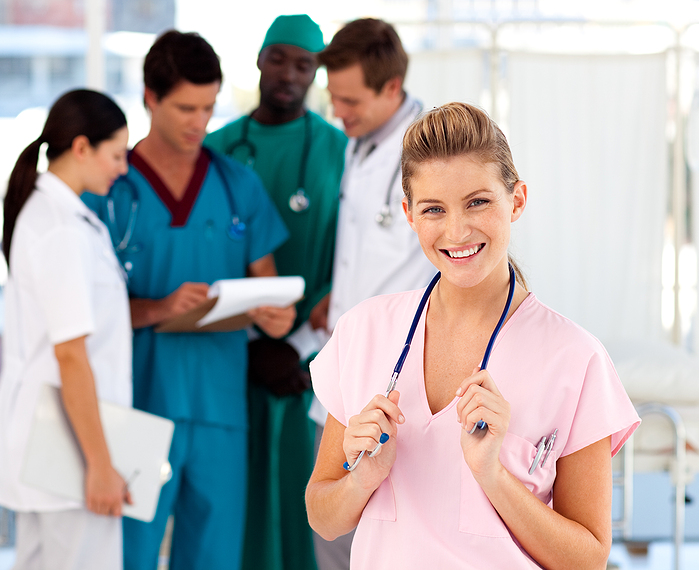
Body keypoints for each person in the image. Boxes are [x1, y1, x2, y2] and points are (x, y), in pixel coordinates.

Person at [305, 102, 641, 569]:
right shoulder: (363, 332)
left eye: (478, 202)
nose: (456, 230)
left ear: (517, 200)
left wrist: (493, 475)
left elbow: (587, 559)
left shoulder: (575, 358)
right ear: (409, 214)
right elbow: (323, 518)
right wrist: (361, 480)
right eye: (433, 209)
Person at [81, 31, 294, 570]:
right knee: (128, 555)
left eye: (208, 107)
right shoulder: (110, 189)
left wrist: (276, 317)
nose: (199, 122)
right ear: (150, 98)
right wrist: (158, 309)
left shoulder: (236, 185)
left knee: (215, 558)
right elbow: (78, 314)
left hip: (220, 409)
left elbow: (266, 287)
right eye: (184, 108)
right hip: (136, 407)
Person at [206, 14, 346, 570]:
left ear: (315, 73)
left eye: (304, 64)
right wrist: (251, 340)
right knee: (233, 506)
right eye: (279, 59)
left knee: (306, 502)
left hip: (309, 360)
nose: (289, 74)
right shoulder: (217, 149)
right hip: (230, 357)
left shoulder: (341, 152)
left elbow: (351, 261)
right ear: (260, 61)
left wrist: (297, 345)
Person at [308, 19, 437, 567]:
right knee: (334, 532)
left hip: (397, 377)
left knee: (388, 538)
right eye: (334, 98)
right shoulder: (359, 146)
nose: (339, 112)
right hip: (349, 359)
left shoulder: (430, 156)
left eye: (350, 100)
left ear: (391, 88)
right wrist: (335, 303)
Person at [0, 89, 131, 570]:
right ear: (80, 147)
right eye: (116, 155)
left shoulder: (52, 214)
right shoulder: (61, 229)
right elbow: (71, 355)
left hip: (47, 439)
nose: (123, 168)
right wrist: (100, 465)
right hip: (66, 449)